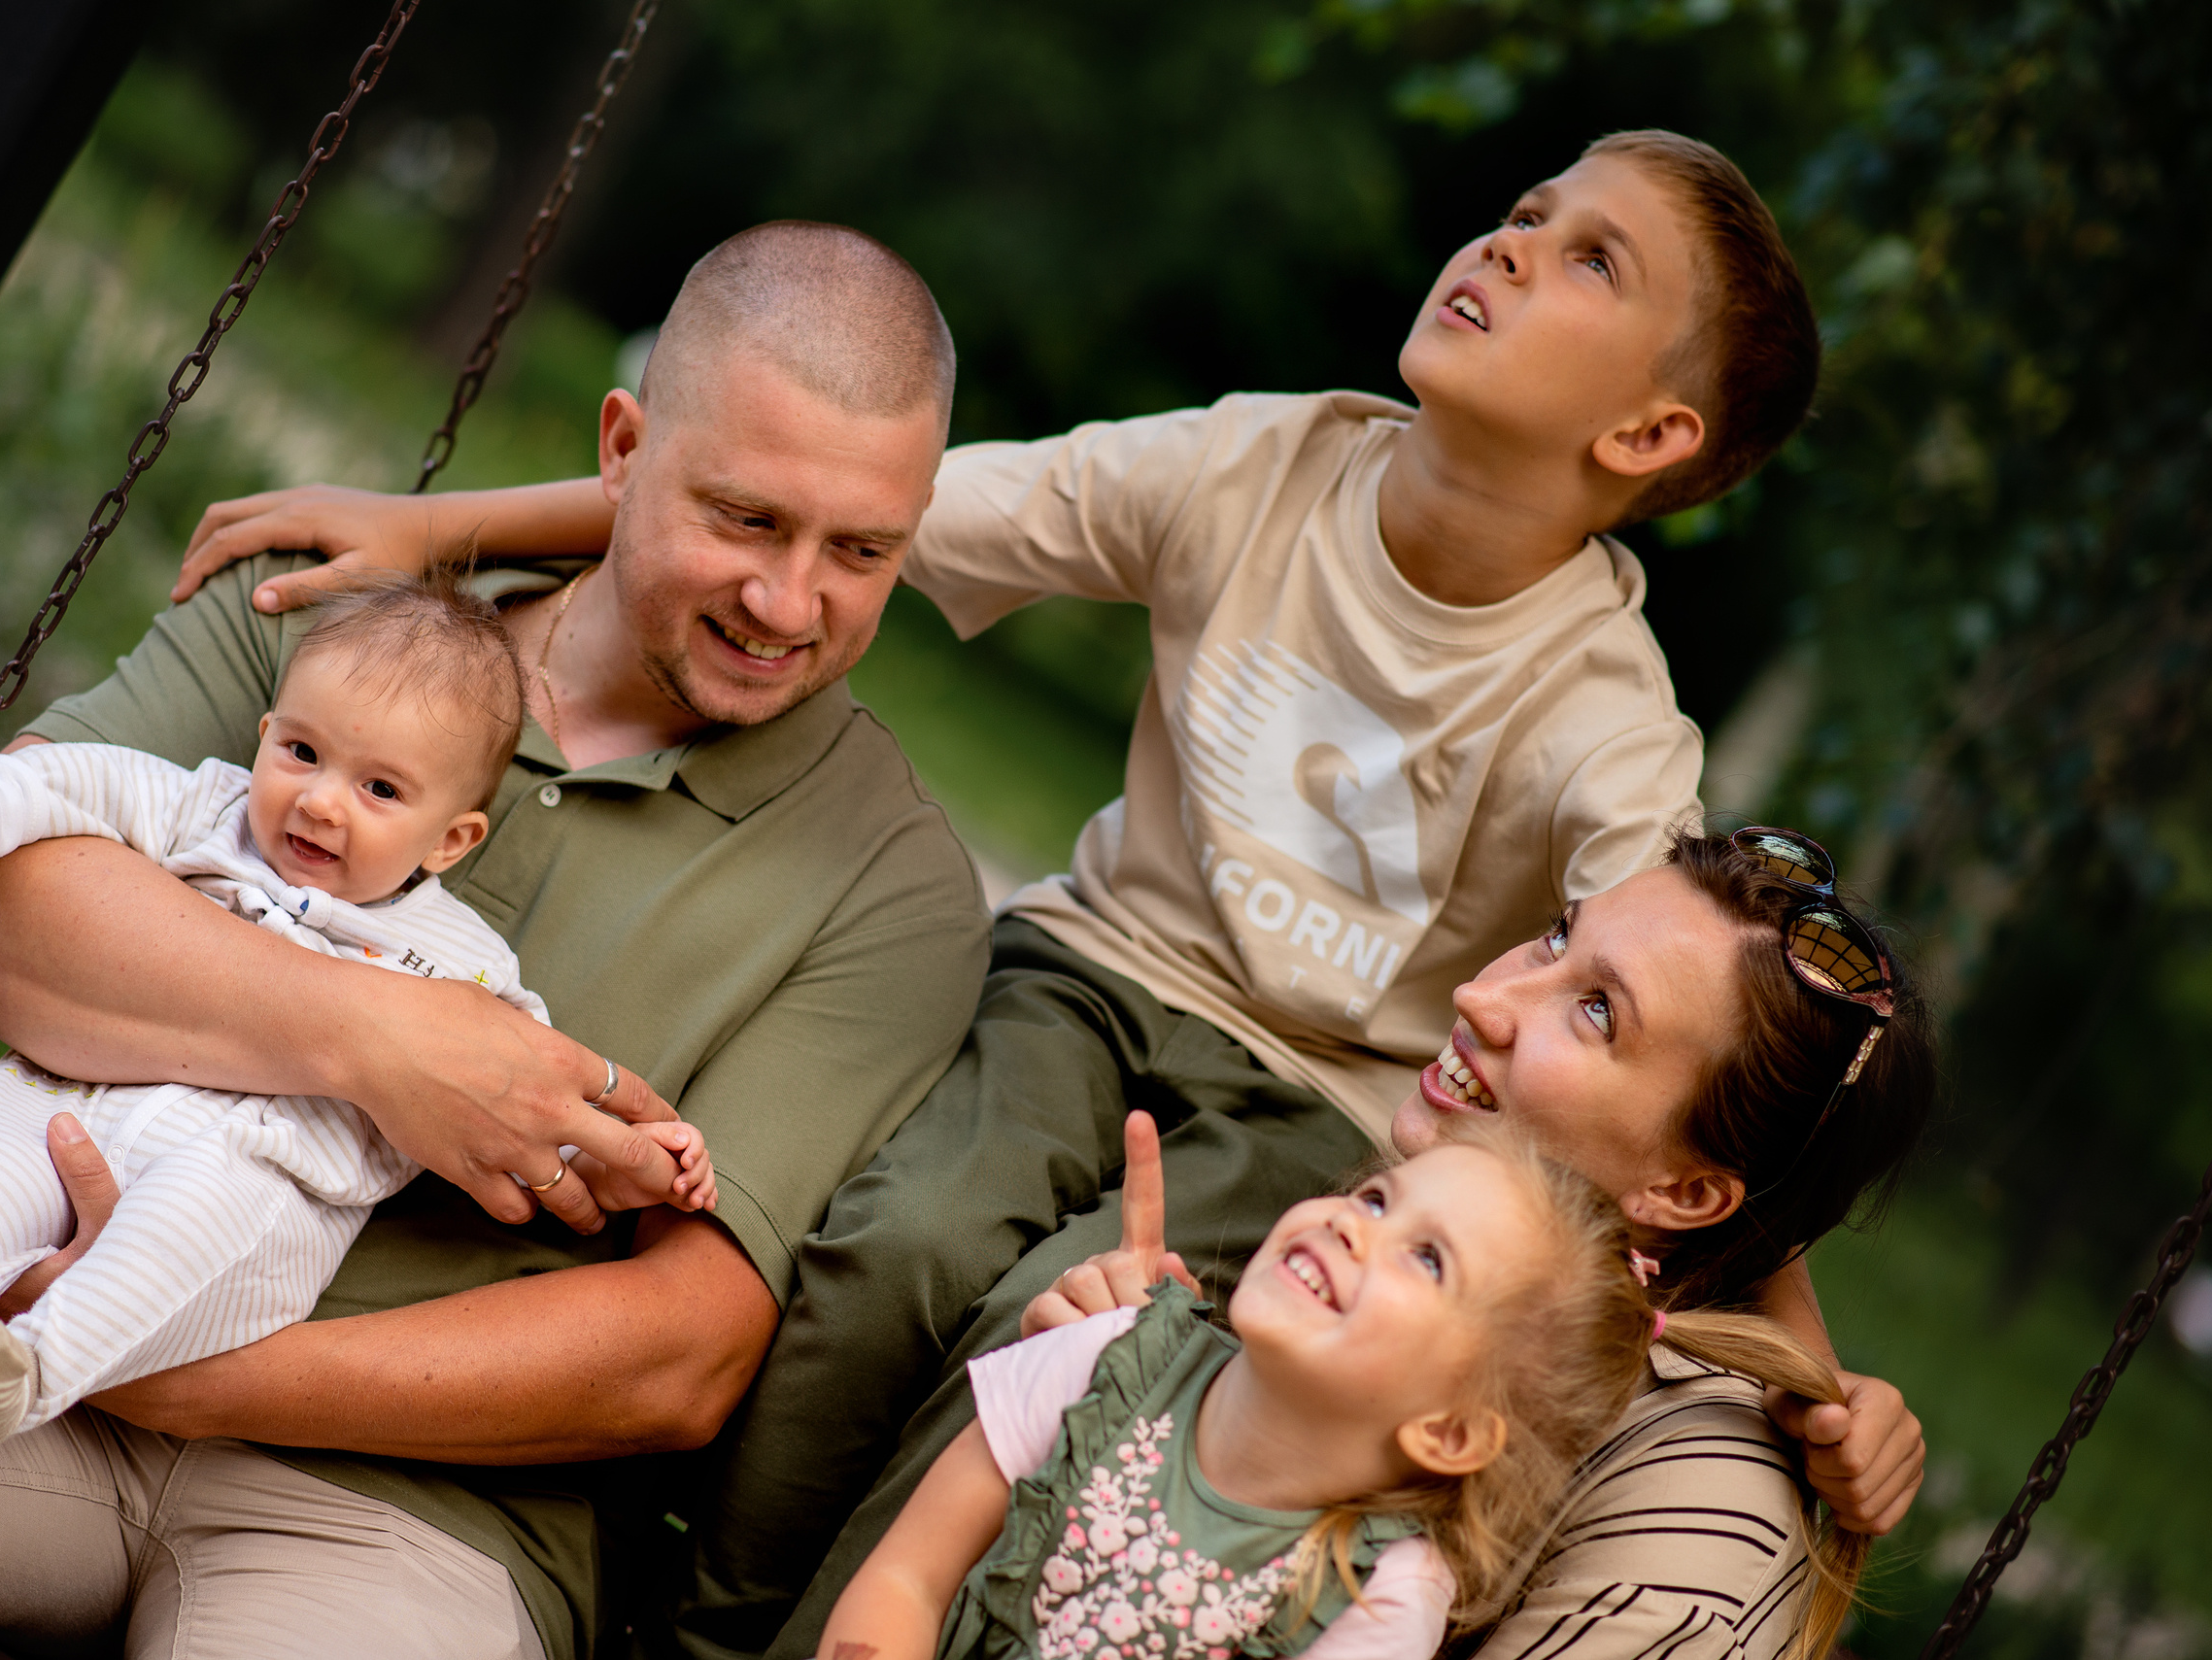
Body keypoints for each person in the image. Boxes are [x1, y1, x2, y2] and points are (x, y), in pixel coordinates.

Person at [159, 129, 1917, 1657]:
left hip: (1313, 1103)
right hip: (1085, 977)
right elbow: (841, 518)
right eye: (1530, 210)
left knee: (1059, 1320)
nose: (1514, 243)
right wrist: (446, 529)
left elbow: (1694, 1066)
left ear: (1652, 428)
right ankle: (690, 1618)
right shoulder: (1259, 465)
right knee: (896, 1247)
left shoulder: (1604, 715)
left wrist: (1819, 1382)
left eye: (1591, 257)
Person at [0, 221, 994, 1660]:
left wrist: (186, 1368)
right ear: (624, 447)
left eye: (862, 550)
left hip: (413, 1519)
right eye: (748, 520)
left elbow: (677, 1353)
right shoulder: (335, 617)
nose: (788, 601)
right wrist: (387, 1041)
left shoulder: (890, 883)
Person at [0, 570, 716, 1447]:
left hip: (265, 1175)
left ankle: (24, 1374)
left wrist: (612, 1160)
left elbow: (522, 1097)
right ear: (264, 736)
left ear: (451, 840)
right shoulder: (209, 807)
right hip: (83, 1095)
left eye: (381, 790)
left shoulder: (467, 963)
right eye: (302, 751)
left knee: (194, 1222)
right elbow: (73, 781)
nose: (320, 799)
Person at [1020, 828, 1932, 1657]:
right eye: (1556, 937)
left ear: (1686, 1193)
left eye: (1598, 1012)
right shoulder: (1427, 1221)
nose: (1481, 995)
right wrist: (1121, 1398)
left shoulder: (1697, 1508)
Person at [821, 1123, 1867, 1660]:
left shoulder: (1380, 1600)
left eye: (1426, 1257)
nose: (1353, 1224)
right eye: (1374, 1196)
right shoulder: (1104, 1362)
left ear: (1449, 1429)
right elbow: (906, 1575)